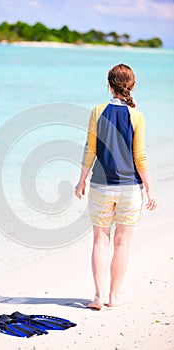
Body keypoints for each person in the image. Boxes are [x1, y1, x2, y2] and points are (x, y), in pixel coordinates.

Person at [75, 63, 157, 309]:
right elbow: (139, 156)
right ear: (131, 86)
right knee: (123, 244)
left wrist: (81, 180)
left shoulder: (98, 111)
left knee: (101, 240)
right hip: (130, 188)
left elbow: (90, 149)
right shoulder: (137, 116)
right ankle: (114, 297)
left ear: (109, 85)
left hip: (101, 185)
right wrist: (150, 189)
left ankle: (98, 297)